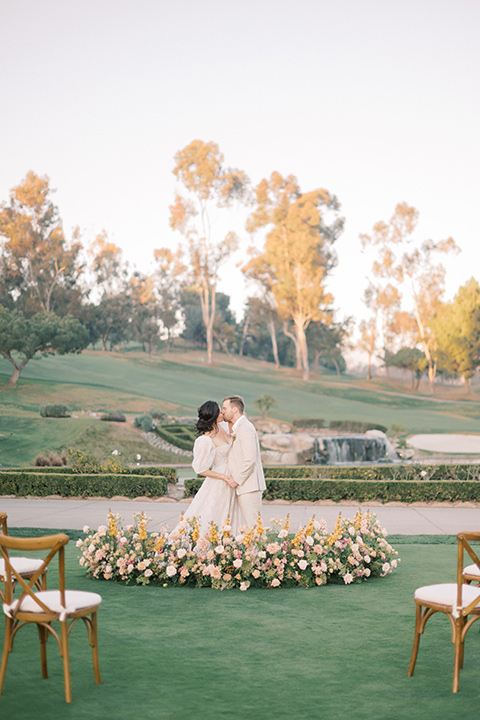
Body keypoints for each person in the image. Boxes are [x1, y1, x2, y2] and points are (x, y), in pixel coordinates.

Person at [177, 400, 239, 538]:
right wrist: (223, 477)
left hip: (233, 476)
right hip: (220, 479)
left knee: (230, 514)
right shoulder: (205, 439)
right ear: (214, 415)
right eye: (220, 410)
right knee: (213, 514)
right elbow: (200, 469)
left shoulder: (223, 426)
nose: (222, 412)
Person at [222, 395, 266, 530]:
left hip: (249, 486)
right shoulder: (237, 427)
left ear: (234, 409)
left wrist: (237, 480)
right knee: (250, 527)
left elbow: (250, 459)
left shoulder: (246, 428)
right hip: (245, 486)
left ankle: (259, 551)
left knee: (253, 526)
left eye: (225, 408)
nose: (222, 411)